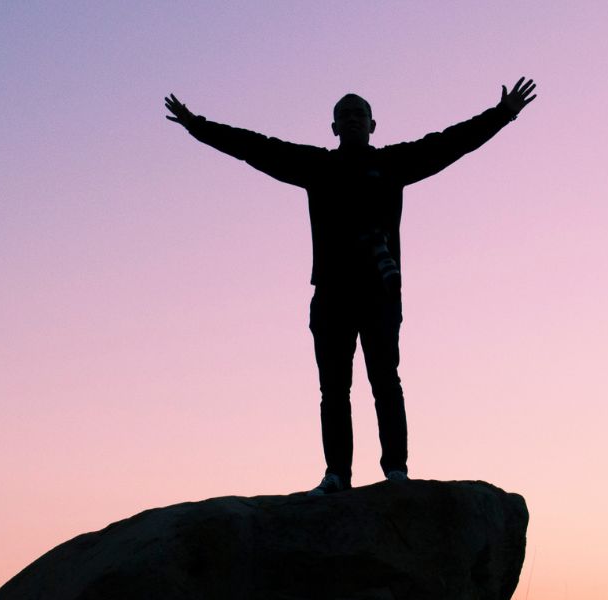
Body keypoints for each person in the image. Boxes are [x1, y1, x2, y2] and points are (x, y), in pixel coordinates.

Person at [164, 78, 537, 495]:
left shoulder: (393, 164)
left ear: (373, 125)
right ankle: (337, 474)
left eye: (359, 114)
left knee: (385, 381)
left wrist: (502, 114)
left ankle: (395, 470)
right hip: (332, 294)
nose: (353, 119)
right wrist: (196, 125)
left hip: (380, 291)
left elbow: (449, 144)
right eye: (345, 115)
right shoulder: (317, 167)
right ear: (334, 127)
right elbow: (255, 147)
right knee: (334, 389)